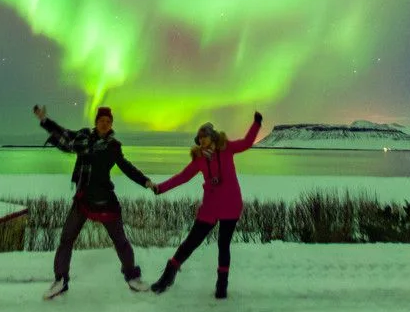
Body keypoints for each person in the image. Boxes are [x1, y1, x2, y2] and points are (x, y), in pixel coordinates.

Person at [33, 103, 155, 299]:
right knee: (66, 238)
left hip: (105, 199)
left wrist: (145, 181)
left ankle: (133, 277)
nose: (104, 124)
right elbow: (64, 133)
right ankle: (60, 280)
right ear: (96, 122)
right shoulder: (83, 137)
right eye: (101, 120)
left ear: (111, 125)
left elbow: (126, 167)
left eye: (108, 121)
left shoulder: (114, 146)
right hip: (84, 198)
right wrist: (44, 120)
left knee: (120, 241)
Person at [149, 111, 262, 299]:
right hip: (210, 207)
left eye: (205, 136)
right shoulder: (199, 159)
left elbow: (247, 142)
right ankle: (167, 277)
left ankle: (221, 286)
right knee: (191, 241)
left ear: (213, 137)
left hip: (230, 204)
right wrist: (160, 188)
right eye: (199, 137)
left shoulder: (226, 149)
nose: (202, 140)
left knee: (223, 245)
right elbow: (182, 177)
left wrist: (256, 124)